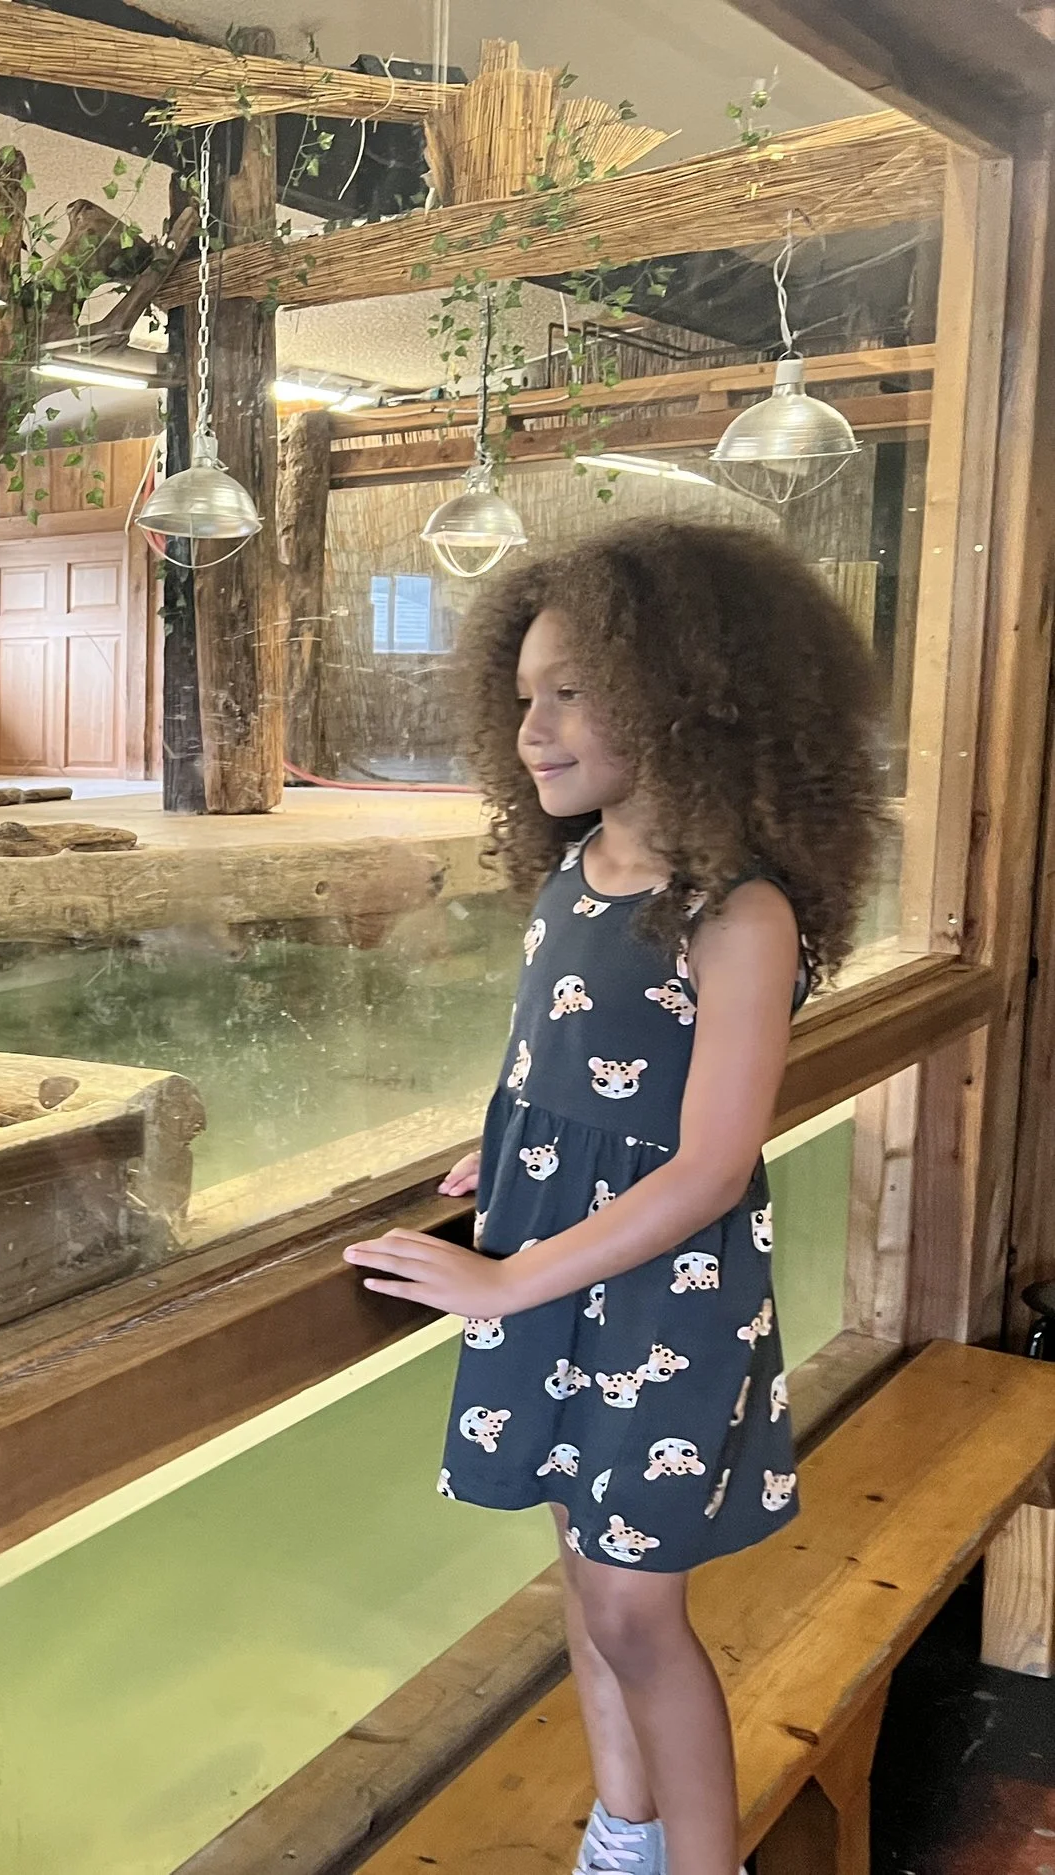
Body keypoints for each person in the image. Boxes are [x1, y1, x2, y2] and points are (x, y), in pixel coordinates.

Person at [342, 521, 884, 1875]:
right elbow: (575, 1061)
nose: (536, 725)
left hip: (664, 1293)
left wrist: (503, 1275)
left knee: (642, 1608)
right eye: (523, 695)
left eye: (572, 690)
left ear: (693, 693)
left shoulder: (737, 914)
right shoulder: (570, 879)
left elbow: (709, 1162)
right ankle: (623, 1832)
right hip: (559, 1251)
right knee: (586, 1581)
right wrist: (511, 1148)